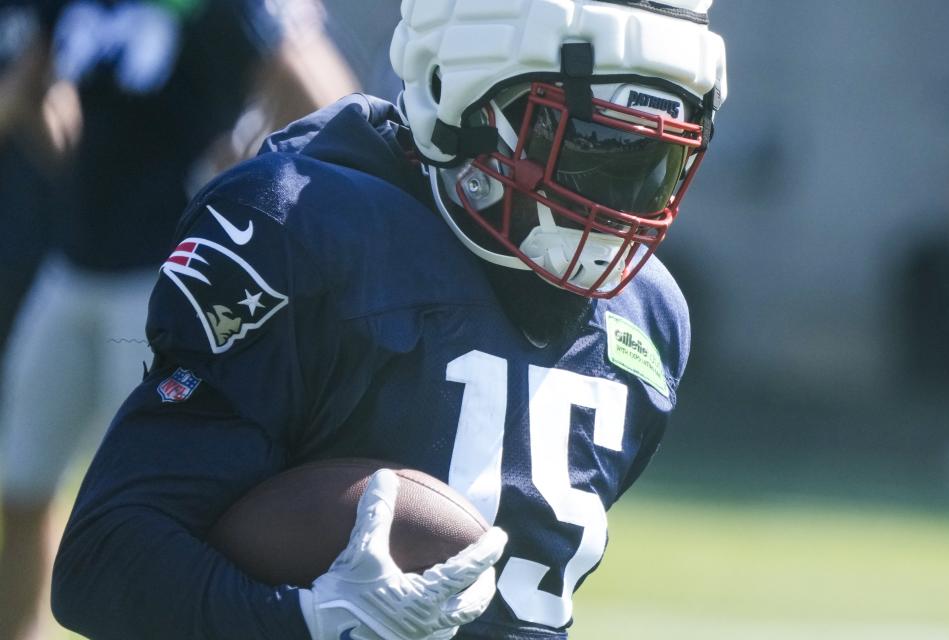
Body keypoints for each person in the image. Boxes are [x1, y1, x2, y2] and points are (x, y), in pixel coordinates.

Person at [51, 0, 728, 638]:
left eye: (657, 163)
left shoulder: (647, 318)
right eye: (590, 145)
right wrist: (309, 622)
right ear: (467, 93)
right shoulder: (302, 228)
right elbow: (104, 561)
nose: (620, 204)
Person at [0, 1, 357, 639]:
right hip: (71, 266)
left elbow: (331, 102)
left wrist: (258, 170)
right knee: (19, 489)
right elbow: (28, 89)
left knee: (153, 515)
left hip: (168, 285)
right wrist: (72, 161)